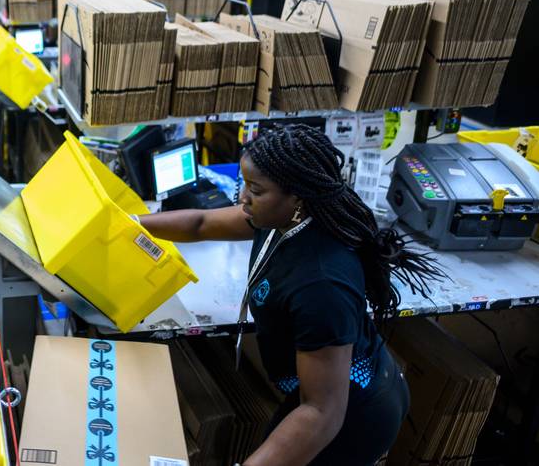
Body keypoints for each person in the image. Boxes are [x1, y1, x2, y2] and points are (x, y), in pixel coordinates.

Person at [139, 124, 444, 466]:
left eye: (255, 189)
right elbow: (201, 224)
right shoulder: (280, 218)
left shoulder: (321, 283)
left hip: (351, 413)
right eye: (245, 185)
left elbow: (320, 412)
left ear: (296, 195)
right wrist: (130, 224)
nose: (242, 198)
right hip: (318, 392)